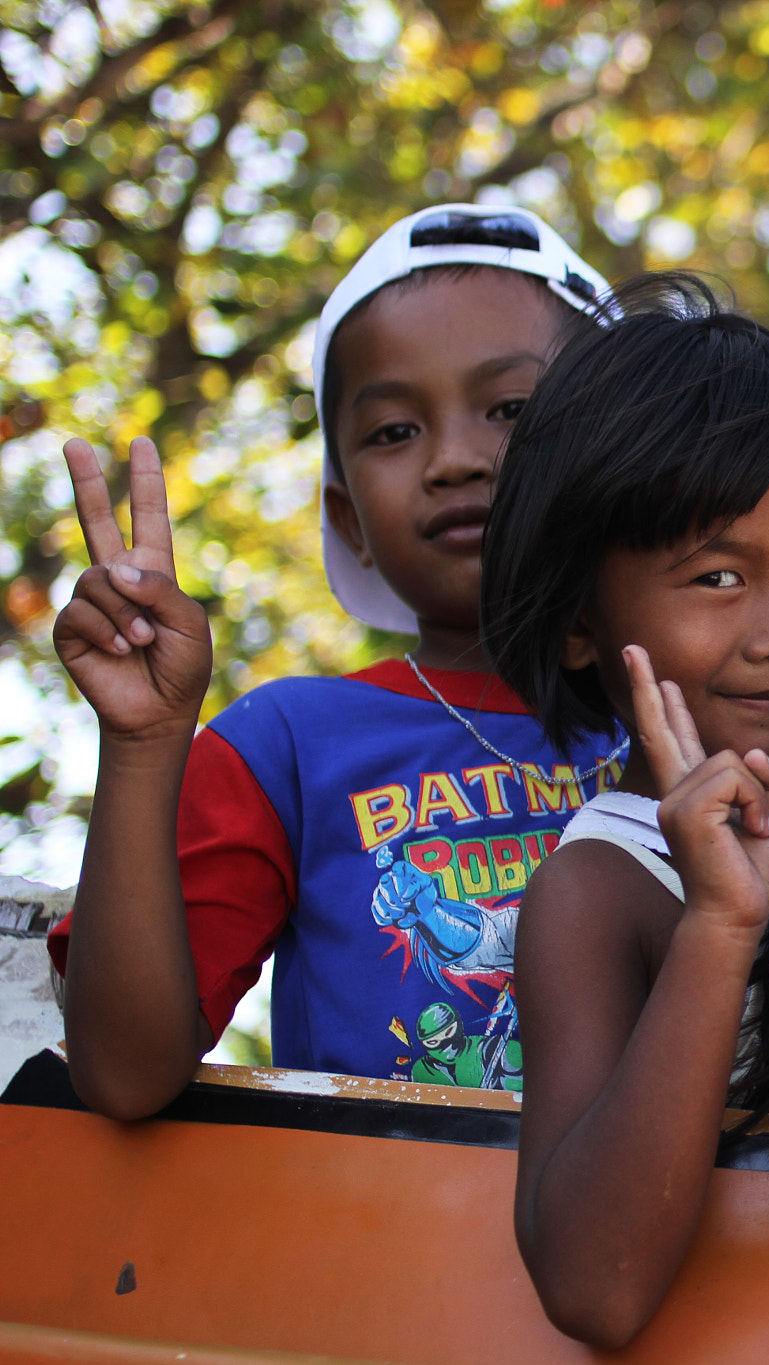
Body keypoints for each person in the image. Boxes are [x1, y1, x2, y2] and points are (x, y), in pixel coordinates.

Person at [48, 205, 619, 1118]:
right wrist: (147, 742)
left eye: (511, 409)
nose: (455, 459)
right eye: (394, 431)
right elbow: (122, 1072)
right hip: (374, 1246)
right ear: (349, 519)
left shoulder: (708, 724)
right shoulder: (286, 747)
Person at [479, 273, 769, 1347]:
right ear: (582, 622)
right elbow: (593, 1289)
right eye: (717, 579)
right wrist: (720, 926)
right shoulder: (603, 883)